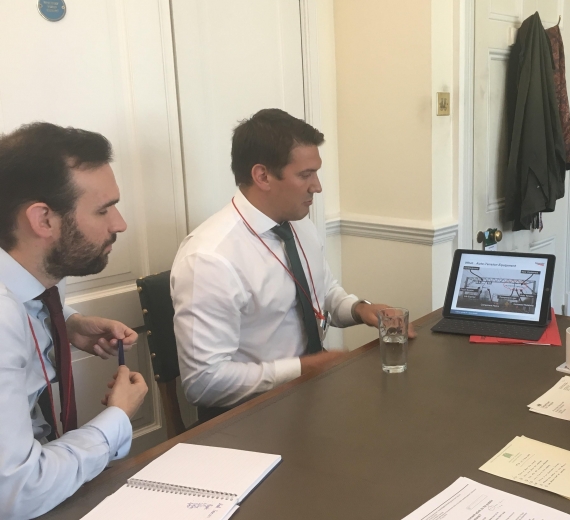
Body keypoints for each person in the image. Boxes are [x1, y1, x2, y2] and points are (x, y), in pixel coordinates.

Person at [171, 108, 413, 418]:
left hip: (312, 394)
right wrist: (302, 368)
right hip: (251, 416)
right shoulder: (209, 259)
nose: (317, 186)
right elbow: (203, 384)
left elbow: (323, 294)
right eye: (305, 174)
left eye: (316, 172)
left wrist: (359, 309)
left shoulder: (298, 224)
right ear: (263, 176)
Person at [0, 122, 149, 519]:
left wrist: (65, 323)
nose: (119, 224)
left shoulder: (42, 273)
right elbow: (18, 492)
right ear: (43, 220)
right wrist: (117, 418)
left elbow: (29, 303)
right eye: (103, 209)